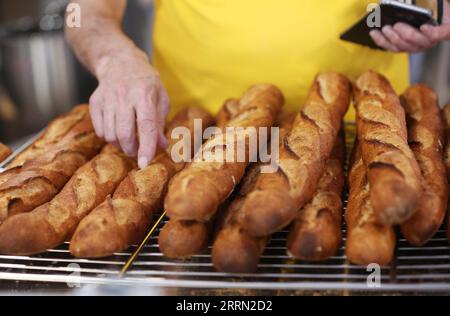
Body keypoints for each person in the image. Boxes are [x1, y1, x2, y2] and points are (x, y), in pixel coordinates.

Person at [66, 0, 450, 169]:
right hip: (195, 144)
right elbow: (82, 8)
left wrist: (435, 8)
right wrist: (114, 58)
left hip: (364, 145)